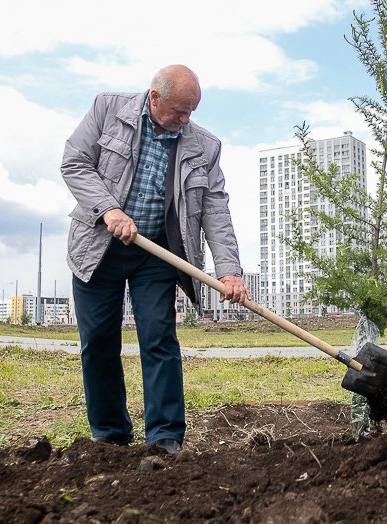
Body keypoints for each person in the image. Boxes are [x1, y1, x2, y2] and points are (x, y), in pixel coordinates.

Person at [61, 64, 251, 455]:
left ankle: (165, 438)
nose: (185, 120)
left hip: (159, 253)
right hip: (100, 246)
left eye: (192, 112)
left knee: (159, 339)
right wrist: (109, 209)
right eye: (180, 111)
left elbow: (215, 208)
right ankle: (110, 434)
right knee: (97, 340)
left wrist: (230, 270)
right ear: (154, 97)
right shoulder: (107, 109)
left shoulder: (205, 146)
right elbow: (74, 163)